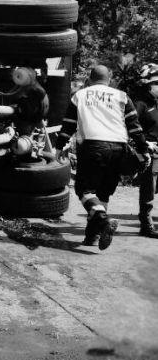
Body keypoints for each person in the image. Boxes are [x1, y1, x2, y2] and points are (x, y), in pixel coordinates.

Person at [55, 64, 150, 250]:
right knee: (103, 194)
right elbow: (134, 127)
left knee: (84, 190)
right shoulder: (122, 96)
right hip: (118, 148)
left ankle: (103, 221)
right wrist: (143, 149)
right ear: (110, 78)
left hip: (93, 147)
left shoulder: (80, 95)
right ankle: (92, 236)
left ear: (89, 78)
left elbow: (68, 124)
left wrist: (59, 147)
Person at [133, 63, 158, 237]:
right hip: (149, 151)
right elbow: (131, 126)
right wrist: (145, 144)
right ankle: (146, 224)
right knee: (149, 187)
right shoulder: (140, 103)